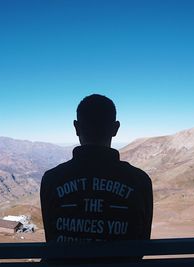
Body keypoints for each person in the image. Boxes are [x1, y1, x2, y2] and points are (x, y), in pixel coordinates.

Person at [40, 94, 153, 245]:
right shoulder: (140, 181)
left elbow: (51, 241)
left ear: (76, 127)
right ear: (115, 128)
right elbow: (142, 244)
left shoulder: (51, 179)